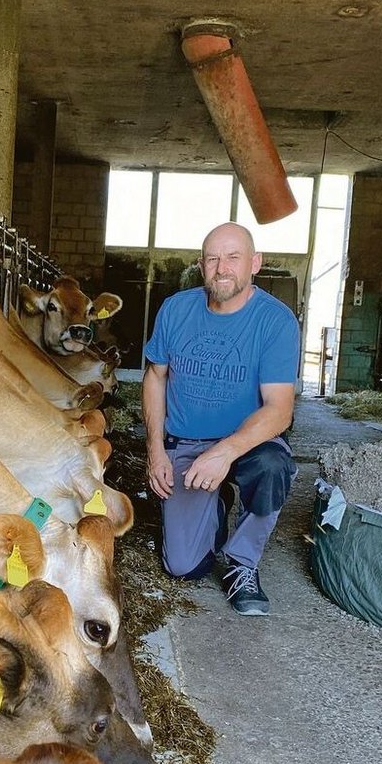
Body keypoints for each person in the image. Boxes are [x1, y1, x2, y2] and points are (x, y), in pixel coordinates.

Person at [142, 222, 299, 616]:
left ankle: (242, 564)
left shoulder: (275, 321)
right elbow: (155, 377)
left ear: (254, 264)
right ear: (201, 265)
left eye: (233, 258)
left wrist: (224, 454)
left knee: (273, 465)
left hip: (247, 444)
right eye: (212, 258)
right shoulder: (176, 309)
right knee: (183, 567)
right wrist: (155, 450)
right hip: (185, 442)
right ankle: (216, 504)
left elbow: (279, 409)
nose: (222, 268)